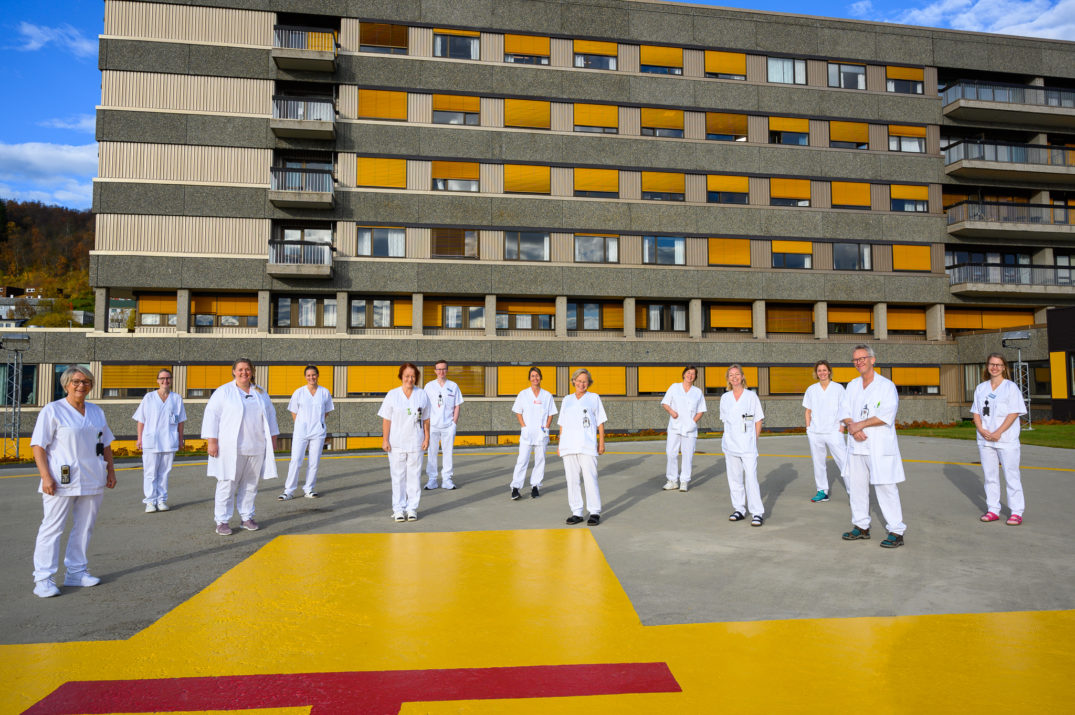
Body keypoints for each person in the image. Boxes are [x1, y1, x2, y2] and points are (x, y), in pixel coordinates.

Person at [30, 365, 117, 597]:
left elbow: (105, 443)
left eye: (86, 381)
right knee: (52, 528)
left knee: (85, 526)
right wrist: (45, 476)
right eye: (76, 381)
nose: (81, 385)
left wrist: (111, 471)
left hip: (93, 476)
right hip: (60, 478)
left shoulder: (96, 411)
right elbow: (38, 446)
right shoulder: (53, 410)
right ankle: (43, 579)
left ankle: (76, 572)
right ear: (66, 384)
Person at [202, 358, 279, 536]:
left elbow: (271, 415)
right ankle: (222, 520)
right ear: (234, 372)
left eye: (247, 369)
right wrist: (212, 441)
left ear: (252, 371)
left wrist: (273, 439)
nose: (244, 373)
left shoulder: (260, 392)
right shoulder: (224, 392)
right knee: (227, 484)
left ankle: (247, 517)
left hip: (256, 446)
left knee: (251, 484)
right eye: (240, 369)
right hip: (231, 448)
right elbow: (212, 415)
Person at [840, 345, 907, 548]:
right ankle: (861, 526)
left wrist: (861, 424)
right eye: (855, 360)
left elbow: (887, 414)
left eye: (862, 358)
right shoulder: (852, 385)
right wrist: (852, 426)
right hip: (856, 445)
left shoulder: (886, 386)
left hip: (878, 445)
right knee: (857, 486)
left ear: (872, 360)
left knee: (885, 485)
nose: (859, 362)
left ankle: (896, 530)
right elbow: (843, 410)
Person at [971, 353, 1027, 525]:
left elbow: (1014, 413)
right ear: (987, 366)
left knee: (1011, 475)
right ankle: (993, 509)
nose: (994, 367)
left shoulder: (1011, 388)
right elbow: (976, 412)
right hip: (985, 439)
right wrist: (981, 429)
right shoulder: (981, 388)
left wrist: (998, 432)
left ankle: (1016, 511)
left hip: (1006, 439)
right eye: (991, 364)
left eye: (998, 364)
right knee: (990, 476)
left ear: (1004, 368)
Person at [379, 362, 431, 521]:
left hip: (416, 441)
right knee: (398, 476)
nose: (410, 379)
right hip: (396, 442)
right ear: (401, 376)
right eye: (407, 376)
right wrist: (385, 440)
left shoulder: (422, 394)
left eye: (413, 376)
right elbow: (386, 420)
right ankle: (399, 509)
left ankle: (412, 508)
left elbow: (427, 418)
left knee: (414, 476)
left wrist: (427, 437)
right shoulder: (392, 395)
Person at [557, 368, 607, 525]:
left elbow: (600, 422)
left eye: (584, 381)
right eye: (578, 381)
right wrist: (560, 444)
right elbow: (562, 424)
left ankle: (594, 512)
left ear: (589, 383)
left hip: (587, 444)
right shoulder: (567, 399)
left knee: (590, 478)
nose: (581, 384)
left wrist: (601, 442)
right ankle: (577, 512)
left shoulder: (594, 398)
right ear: (573, 381)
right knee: (572, 479)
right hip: (568, 445)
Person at [133, 368, 186, 513]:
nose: (165, 381)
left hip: (169, 440)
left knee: (165, 472)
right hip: (151, 440)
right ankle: (150, 501)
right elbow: (141, 420)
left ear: (171, 380)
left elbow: (180, 421)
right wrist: (139, 438)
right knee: (150, 472)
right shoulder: (149, 397)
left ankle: (161, 500)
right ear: (157, 381)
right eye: (162, 378)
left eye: (168, 378)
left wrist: (181, 439)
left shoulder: (177, 398)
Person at [719, 365, 766, 526]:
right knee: (734, 478)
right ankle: (739, 509)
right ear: (728, 378)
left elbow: (758, 419)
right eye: (731, 375)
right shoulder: (725, 398)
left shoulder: (751, 397)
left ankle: (757, 512)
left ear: (742, 376)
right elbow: (726, 421)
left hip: (747, 445)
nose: (734, 377)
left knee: (751, 478)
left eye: (737, 374)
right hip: (730, 444)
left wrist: (755, 439)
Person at [279, 365, 334, 501]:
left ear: (317, 375)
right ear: (305, 377)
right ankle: (289, 491)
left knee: (314, 462)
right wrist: (301, 425)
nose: (311, 378)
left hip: (317, 431)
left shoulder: (324, 392)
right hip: (301, 431)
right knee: (296, 460)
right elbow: (294, 411)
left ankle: (309, 489)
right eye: (308, 375)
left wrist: (318, 422)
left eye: (313, 375)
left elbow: (326, 411)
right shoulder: (299, 392)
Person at [802, 360, 847, 503]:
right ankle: (822, 491)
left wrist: (842, 427)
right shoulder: (811, 389)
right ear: (816, 373)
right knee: (818, 462)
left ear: (829, 371)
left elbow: (844, 409)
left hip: (834, 431)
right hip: (815, 432)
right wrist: (808, 428)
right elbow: (808, 411)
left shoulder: (838, 388)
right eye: (819, 370)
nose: (822, 372)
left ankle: (855, 491)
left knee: (844, 461)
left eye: (824, 370)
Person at [509, 366, 557, 500]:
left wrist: (547, 427)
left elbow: (551, 413)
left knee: (540, 460)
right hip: (527, 432)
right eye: (532, 376)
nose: (535, 378)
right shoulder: (523, 394)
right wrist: (523, 427)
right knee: (522, 460)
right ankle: (516, 487)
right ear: (529, 379)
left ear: (540, 377)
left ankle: (535, 486)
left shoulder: (547, 395)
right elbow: (518, 412)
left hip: (541, 433)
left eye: (537, 375)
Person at [660, 365, 707, 492]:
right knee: (671, 453)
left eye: (693, 374)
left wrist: (693, 422)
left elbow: (701, 410)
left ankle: (684, 481)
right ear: (684, 374)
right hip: (675, 426)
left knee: (688, 455)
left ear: (695, 377)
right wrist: (671, 411)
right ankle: (672, 480)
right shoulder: (674, 387)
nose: (690, 375)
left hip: (689, 429)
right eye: (688, 372)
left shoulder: (697, 392)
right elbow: (665, 402)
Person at [424, 360, 464, 490]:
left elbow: (457, 405)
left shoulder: (453, 386)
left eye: (443, 369)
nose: (441, 371)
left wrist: (454, 423)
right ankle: (432, 480)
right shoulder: (429, 386)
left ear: (447, 370)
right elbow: (424, 406)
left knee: (448, 453)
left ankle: (447, 479)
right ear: (435, 371)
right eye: (438, 369)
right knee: (432, 453)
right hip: (433, 426)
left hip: (448, 425)